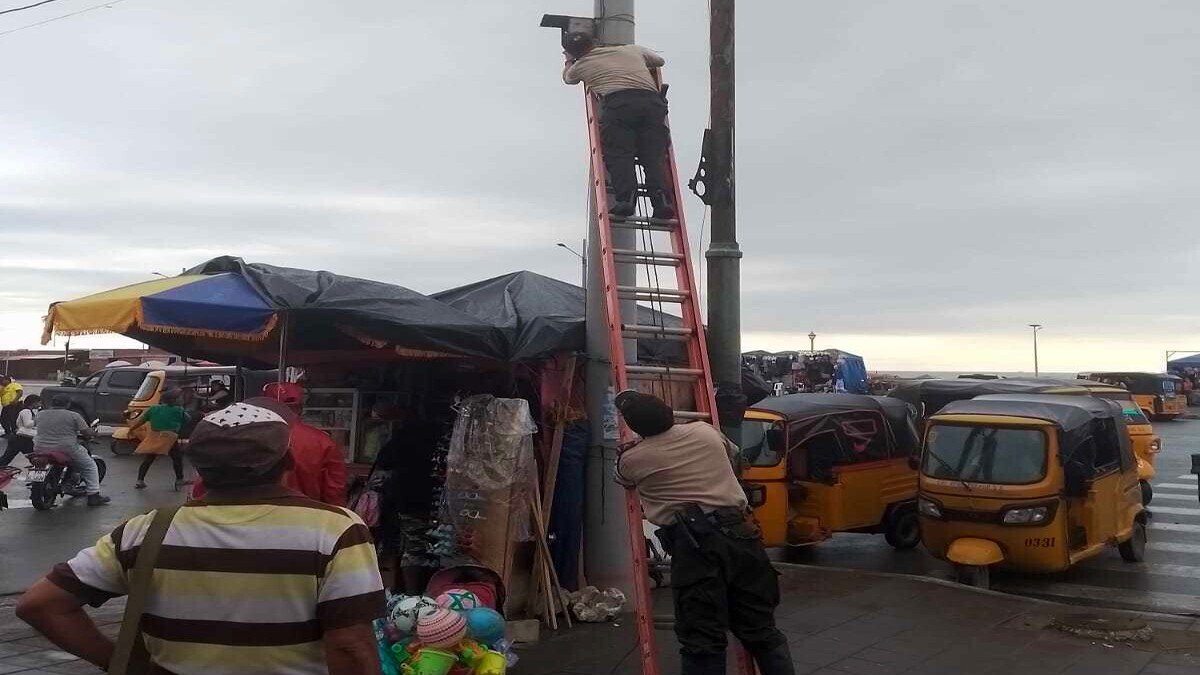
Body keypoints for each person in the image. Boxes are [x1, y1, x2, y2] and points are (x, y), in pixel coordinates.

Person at [14, 398, 385, 674]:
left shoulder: (147, 529)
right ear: (287, 462)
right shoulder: (336, 530)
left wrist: (120, 664)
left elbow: (40, 604)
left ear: (201, 467)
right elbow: (350, 646)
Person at [614, 390, 793, 675]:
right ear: (669, 413)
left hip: (696, 547)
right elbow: (733, 454)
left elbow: (623, 479)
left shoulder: (633, 459)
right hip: (741, 535)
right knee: (762, 630)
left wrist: (633, 448)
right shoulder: (704, 431)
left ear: (635, 427)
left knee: (703, 639)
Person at [561, 31, 675, 220]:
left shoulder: (580, 65)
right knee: (653, 156)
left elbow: (568, 79)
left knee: (620, 155)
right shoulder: (631, 50)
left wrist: (569, 61)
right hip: (651, 104)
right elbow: (659, 61)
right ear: (594, 41)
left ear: (573, 53)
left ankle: (626, 200)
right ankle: (661, 202)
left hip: (619, 105)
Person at [191, 382, 347, 506]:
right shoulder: (324, 441)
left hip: (236, 519)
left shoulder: (239, 433)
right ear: (300, 407)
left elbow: (205, 485)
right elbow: (334, 493)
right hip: (309, 523)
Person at [34, 395, 109, 506]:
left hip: (40, 448)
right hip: (66, 448)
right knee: (90, 466)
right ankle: (93, 495)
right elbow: (86, 432)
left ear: (52, 404)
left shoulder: (40, 414)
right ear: (68, 404)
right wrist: (93, 432)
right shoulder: (74, 416)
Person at [127, 388, 192, 491]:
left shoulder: (153, 409)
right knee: (177, 459)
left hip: (154, 436)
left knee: (149, 459)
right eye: (180, 398)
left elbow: (141, 421)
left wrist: (131, 429)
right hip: (169, 437)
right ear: (174, 400)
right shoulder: (179, 410)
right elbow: (188, 420)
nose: (182, 399)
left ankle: (140, 480)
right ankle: (179, 479)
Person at [0, 394, 41, 467]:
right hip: (21, 438)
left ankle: (39, 469)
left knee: (7, 458)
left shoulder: (28, 411)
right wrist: (37, 420)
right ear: (33, 402)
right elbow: (27, 424)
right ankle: (40, 471)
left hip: (21, 438)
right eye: (39, 402)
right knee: (34, 457)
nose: (40, 404)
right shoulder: (26, 411)